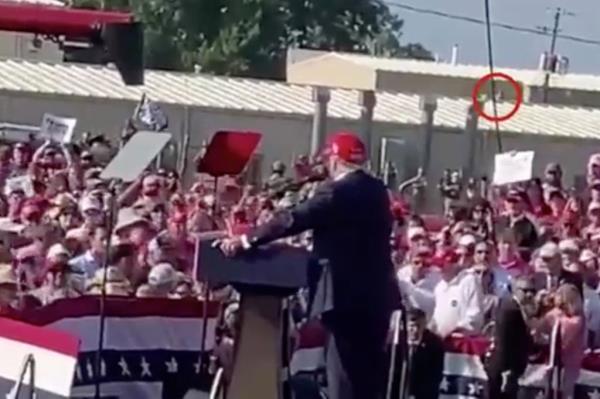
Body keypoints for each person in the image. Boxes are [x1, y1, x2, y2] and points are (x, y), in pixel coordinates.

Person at [219, 131, 401, 399]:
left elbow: (295, 219)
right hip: (376, 300)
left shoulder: (338, 190)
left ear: (336, 160)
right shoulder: (377, 190)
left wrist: (247, 239)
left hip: (344, 300)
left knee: (343, 379)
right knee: (368, 380)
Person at [405, 308, 445, 399]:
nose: (415, 330)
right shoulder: (397, 341)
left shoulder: (434, 345)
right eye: (412, 326)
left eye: (419, 326)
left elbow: (435, 377)